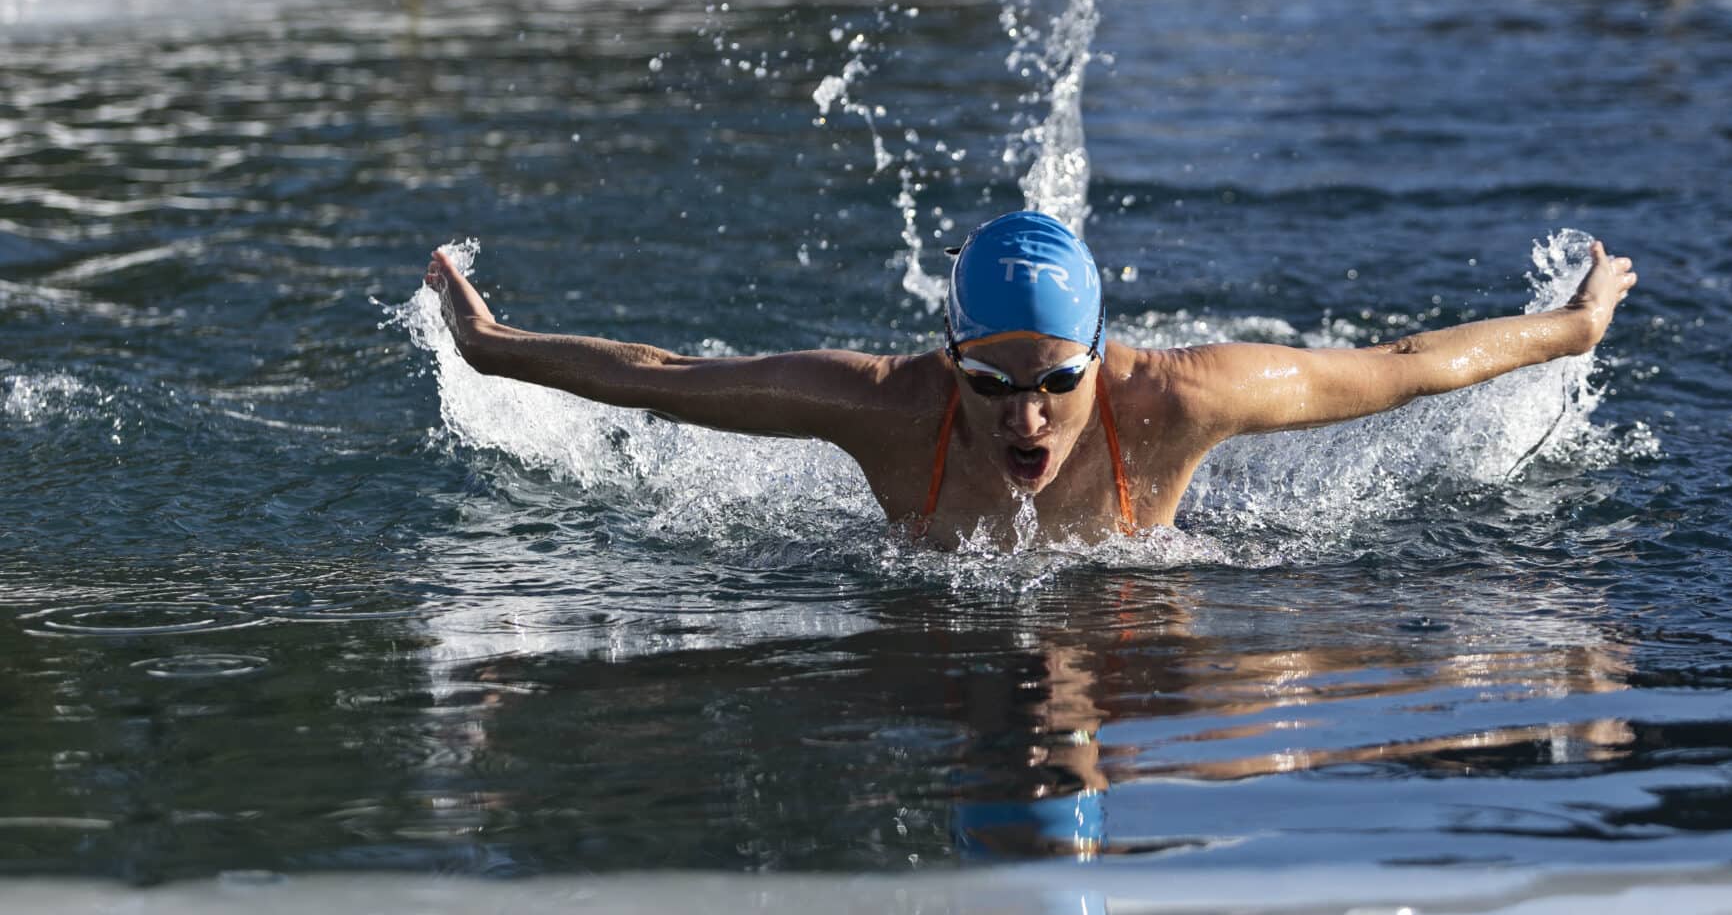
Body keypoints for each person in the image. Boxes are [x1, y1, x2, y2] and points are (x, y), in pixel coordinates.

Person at [425, 211, 1636, 548]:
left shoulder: (1174, 399)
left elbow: (1401, 367)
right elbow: (670, 380)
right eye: (990, 382)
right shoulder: (887, 409)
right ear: (943, 361)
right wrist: (496, 347)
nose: (1027, 412)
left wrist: (1565, 331)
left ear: (1100, 358)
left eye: (1056, 377)